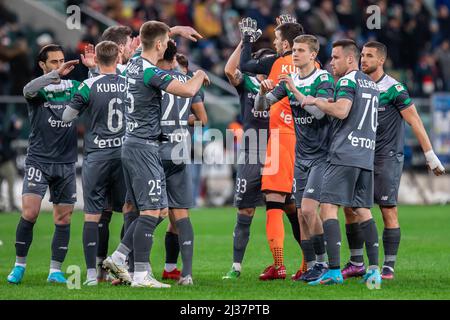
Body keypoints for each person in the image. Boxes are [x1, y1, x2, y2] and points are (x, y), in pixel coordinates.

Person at [102, 21, 209, 288]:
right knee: (153, 212)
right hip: (145, 146)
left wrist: (172, 31)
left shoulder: (135, 62)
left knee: (149, 209)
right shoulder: (150, 72)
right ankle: (131, 268)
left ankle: (129, 265)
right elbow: (186, 90)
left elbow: (149, 39)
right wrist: (199, 75)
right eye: (164, 42)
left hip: (132, 144)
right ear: (160, 46)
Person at [341, 41, 445, 280]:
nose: (363, 59)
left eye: (369, 56)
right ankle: (357, 261)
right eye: (362, 55)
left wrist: (430, 156)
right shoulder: (356, 84)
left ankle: (388, 267)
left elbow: (415, 121)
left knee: (388, 209)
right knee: (350, 208)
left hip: (386, 157)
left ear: (381, 61)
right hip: (359, 154)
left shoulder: (394, 89)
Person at [301, 39, 382, 287]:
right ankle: (374, 270)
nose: (331, 62)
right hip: (365, 154)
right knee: (363, 210)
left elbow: (342, 110)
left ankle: (334, 271)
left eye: (335, 57)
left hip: (344, 153)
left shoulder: (347, 80)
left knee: (327, 208)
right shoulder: (371, 84)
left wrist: (317, 101)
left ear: (350, 59)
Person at [255, 34, 333, 282]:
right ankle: (311, 266)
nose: (294, 54)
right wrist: (261, 90)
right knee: (300, 214)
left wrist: (293, 90)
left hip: (321, 155)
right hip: (301, 155)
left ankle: (323, 263)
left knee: (309, 210)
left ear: (313, 55)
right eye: (294, 50)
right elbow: (262, 105)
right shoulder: (291, 79)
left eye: (300, 50)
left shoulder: (323, 78)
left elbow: (319, 113)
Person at [239, 16, 309, 281]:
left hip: (282, 139)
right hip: (307, 141)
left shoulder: (277, 63)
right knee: (300, 207)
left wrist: (247, 39)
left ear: (287, 44)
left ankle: (280, 265)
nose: (276, 44)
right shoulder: (314, 64)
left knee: (274, 202)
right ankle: (308, 264)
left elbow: (246, 65)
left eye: (278, 40)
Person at [62, 40, 134, 286]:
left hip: (96, 156)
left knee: (92, 215)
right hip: (125, 155)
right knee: (129, 211)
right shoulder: (129, 83)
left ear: (97, 60)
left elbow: (67, 116)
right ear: (117, 58)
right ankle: (125, 266)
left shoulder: (87, 85)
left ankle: (92, 275)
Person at [7, 44, 80, 284]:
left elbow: (95, 92)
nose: (59, 65)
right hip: (39, 160)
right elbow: (27, 89)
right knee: (30, 212)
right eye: (53, 62)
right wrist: (55, 75)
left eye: (61, 61)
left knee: (63, 219)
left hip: (67, 161)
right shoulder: (39, 88)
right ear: (43, 65)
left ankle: (55, 270)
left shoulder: (74, 88)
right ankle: (19, 266)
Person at [221, 35, 273, 279]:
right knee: (246, 211)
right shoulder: (249, 84)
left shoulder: (285, 85)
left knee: (291, 209)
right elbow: (230, 70)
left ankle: (308, 263)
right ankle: (236, 266)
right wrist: (244, 41)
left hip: (278, 149)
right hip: (252, 150)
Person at [157, 40, 207, 285]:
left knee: (137, 211)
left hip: (154, 150)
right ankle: (185, 273)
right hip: (179, 150)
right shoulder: (189, 81)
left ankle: (131, 267)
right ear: (175, 58)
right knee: (181, 214)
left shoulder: (150, 77)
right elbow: (202, 118)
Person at [0, 115, 22, 212]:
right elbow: (12, 135)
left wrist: (14, 126)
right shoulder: (3, 133)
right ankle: (11, 205)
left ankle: (5, 205)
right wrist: (16, 127)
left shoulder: (4, 133)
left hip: (4, 161)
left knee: (10, 185)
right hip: (5, 162)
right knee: (10, 184)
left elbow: (10, 135)